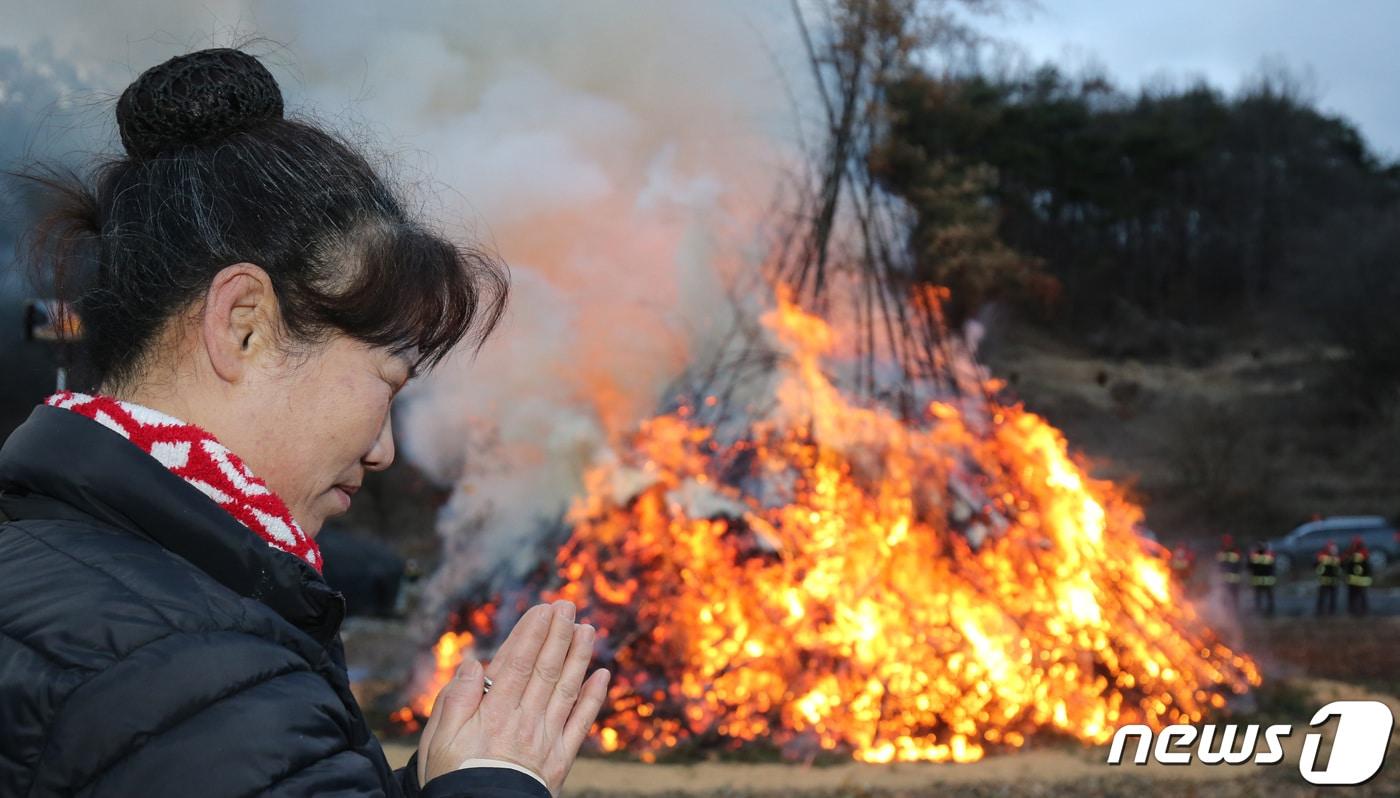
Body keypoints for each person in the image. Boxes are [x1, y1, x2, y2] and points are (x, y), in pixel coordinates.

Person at [0, 49, 609, 797]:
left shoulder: (58, 566)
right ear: (244, 327)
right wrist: (496, 785)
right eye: (389, 383)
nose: (384, 450)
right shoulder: (192, 676)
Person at [1343, 535, 1373, 617]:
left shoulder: (1353, 554)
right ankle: (1358, 611)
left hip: (1357, 581)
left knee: (1357, 597)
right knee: (1359, 597)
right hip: (1356, 580)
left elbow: (1347, 565)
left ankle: (1357, 611)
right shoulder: (1363, 553)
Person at [1247, 541, 1276, 617]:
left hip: (1260, 580)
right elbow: (1273, 566)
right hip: (1266, 580)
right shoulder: (1269, 555)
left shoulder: (1254, 555)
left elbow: (1249, 566)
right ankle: (1269, 610)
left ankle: (1262, 610)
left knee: (1260, 596)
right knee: (1266, 596)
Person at [1315, 540, 1342, 617]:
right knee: (1324, 598)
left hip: (1331, 582)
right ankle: (1322, 612)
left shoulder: (1324, 557)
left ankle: (1328, 612)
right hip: (1325, 582)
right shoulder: (1326, 557)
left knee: (1330, 599)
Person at [1217, 534, 1243, 608]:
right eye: (1225, 542)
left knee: (1234, 597)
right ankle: (1225, 610)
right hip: (1224, 579)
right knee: (1224, 597)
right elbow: (1219, 564)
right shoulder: (1221, 551)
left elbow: (1239, 564)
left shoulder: (1235, 551)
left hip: (1234, 579)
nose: (1227, 544)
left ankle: (1234, 611)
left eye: (1228, 542)